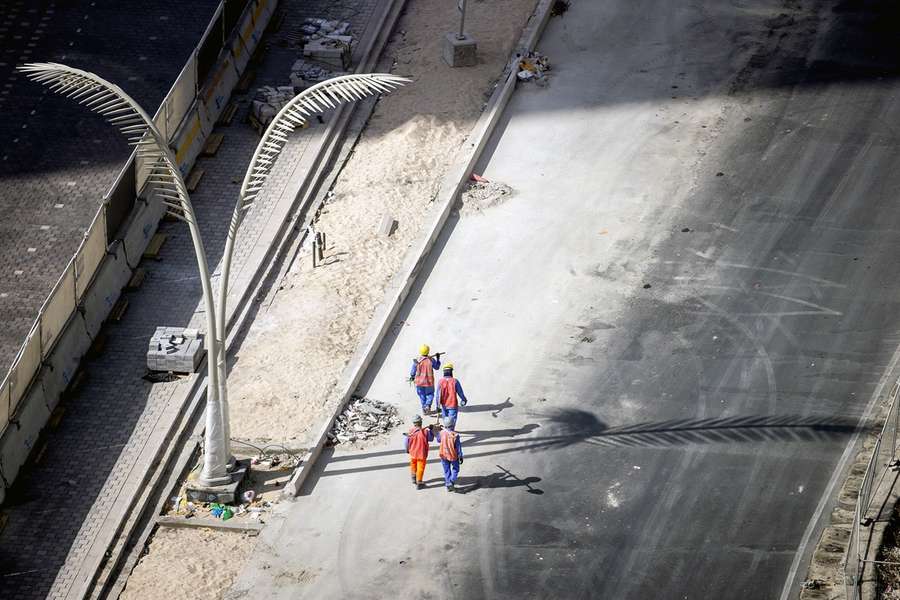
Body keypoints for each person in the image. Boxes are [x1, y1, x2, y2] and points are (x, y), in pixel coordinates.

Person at [408, 344, 441, 415]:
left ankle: (424, 408)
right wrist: (438, 359)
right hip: (429, 382)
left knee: (421, 395)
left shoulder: (417, 360)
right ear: (428, 351)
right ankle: (428, 405)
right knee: (430, 394)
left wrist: (412, 376)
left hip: (419, 382)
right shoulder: (431, 360)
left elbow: (413, 370)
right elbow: (437, 367)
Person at [404, 414, 434, 490]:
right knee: (420, 467)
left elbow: (406, 442)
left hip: (413, 453)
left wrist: (407, 449)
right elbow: (431, 439)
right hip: (422, 453)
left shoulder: (410, 431)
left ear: (414, 423)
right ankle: (419, 482)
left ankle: (413, 478)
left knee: (413, 465)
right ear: (421, 422)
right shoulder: (425, 432)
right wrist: (431, 431)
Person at [436, 416, 464, 492]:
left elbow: (438, 440)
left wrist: (439, 432)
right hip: (453, 456)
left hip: (443, 455)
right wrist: (460, 455)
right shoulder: (455, 435)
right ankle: (451, 481)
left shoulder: (442, 433)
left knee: (446, 470)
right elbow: (458, 447)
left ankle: (448, 484)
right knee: (456, 469)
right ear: (453, 424)